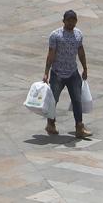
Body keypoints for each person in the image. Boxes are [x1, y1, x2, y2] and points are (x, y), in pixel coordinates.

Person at [42, 9, 91, 138]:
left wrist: (85, 68)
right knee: (53, 100)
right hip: (57, 73)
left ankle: (79, 127)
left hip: (73, 73)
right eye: (69, 20)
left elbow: (80, 51)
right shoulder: (55, 35)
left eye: (73, 20)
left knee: (77, 100)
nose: (71, 23)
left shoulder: (78, 34)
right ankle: (50, 124)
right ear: (63, 21)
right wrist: (46, 72)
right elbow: (51, 54)